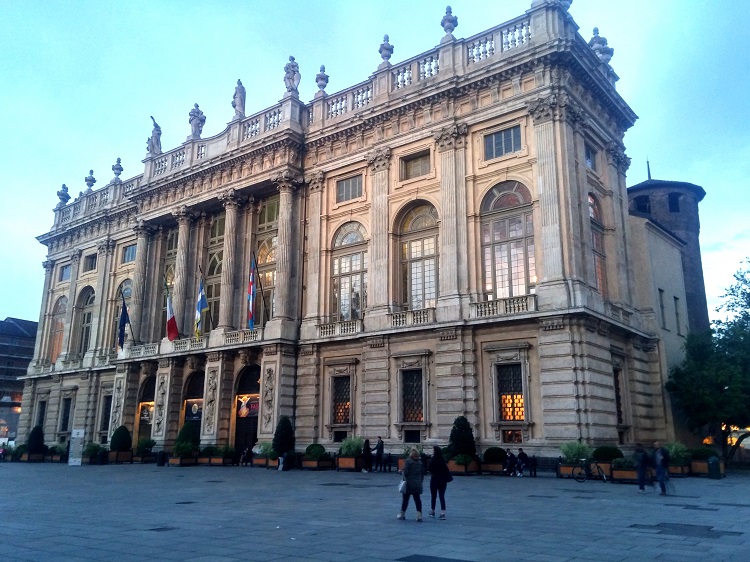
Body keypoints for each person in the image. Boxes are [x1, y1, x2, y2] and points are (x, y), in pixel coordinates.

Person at [398, 448, 424, 521]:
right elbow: (422, 474)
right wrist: (420, 481)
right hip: (417, 483)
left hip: (409, 483)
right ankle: (419, 516)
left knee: (405, 499)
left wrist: (401, 471)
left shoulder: (408, 461)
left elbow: (406, 473)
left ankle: (402, 514)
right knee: (417, 500)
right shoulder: (420, 462)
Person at [428, 446, 452, 520]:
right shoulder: (442, 459)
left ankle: (432, 511)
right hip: (442, 480)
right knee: (441, 496)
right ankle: (442, 512)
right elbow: (446, 469)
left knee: (433, 496)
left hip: (434, 479)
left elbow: (429, 469)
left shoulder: (433, 459)